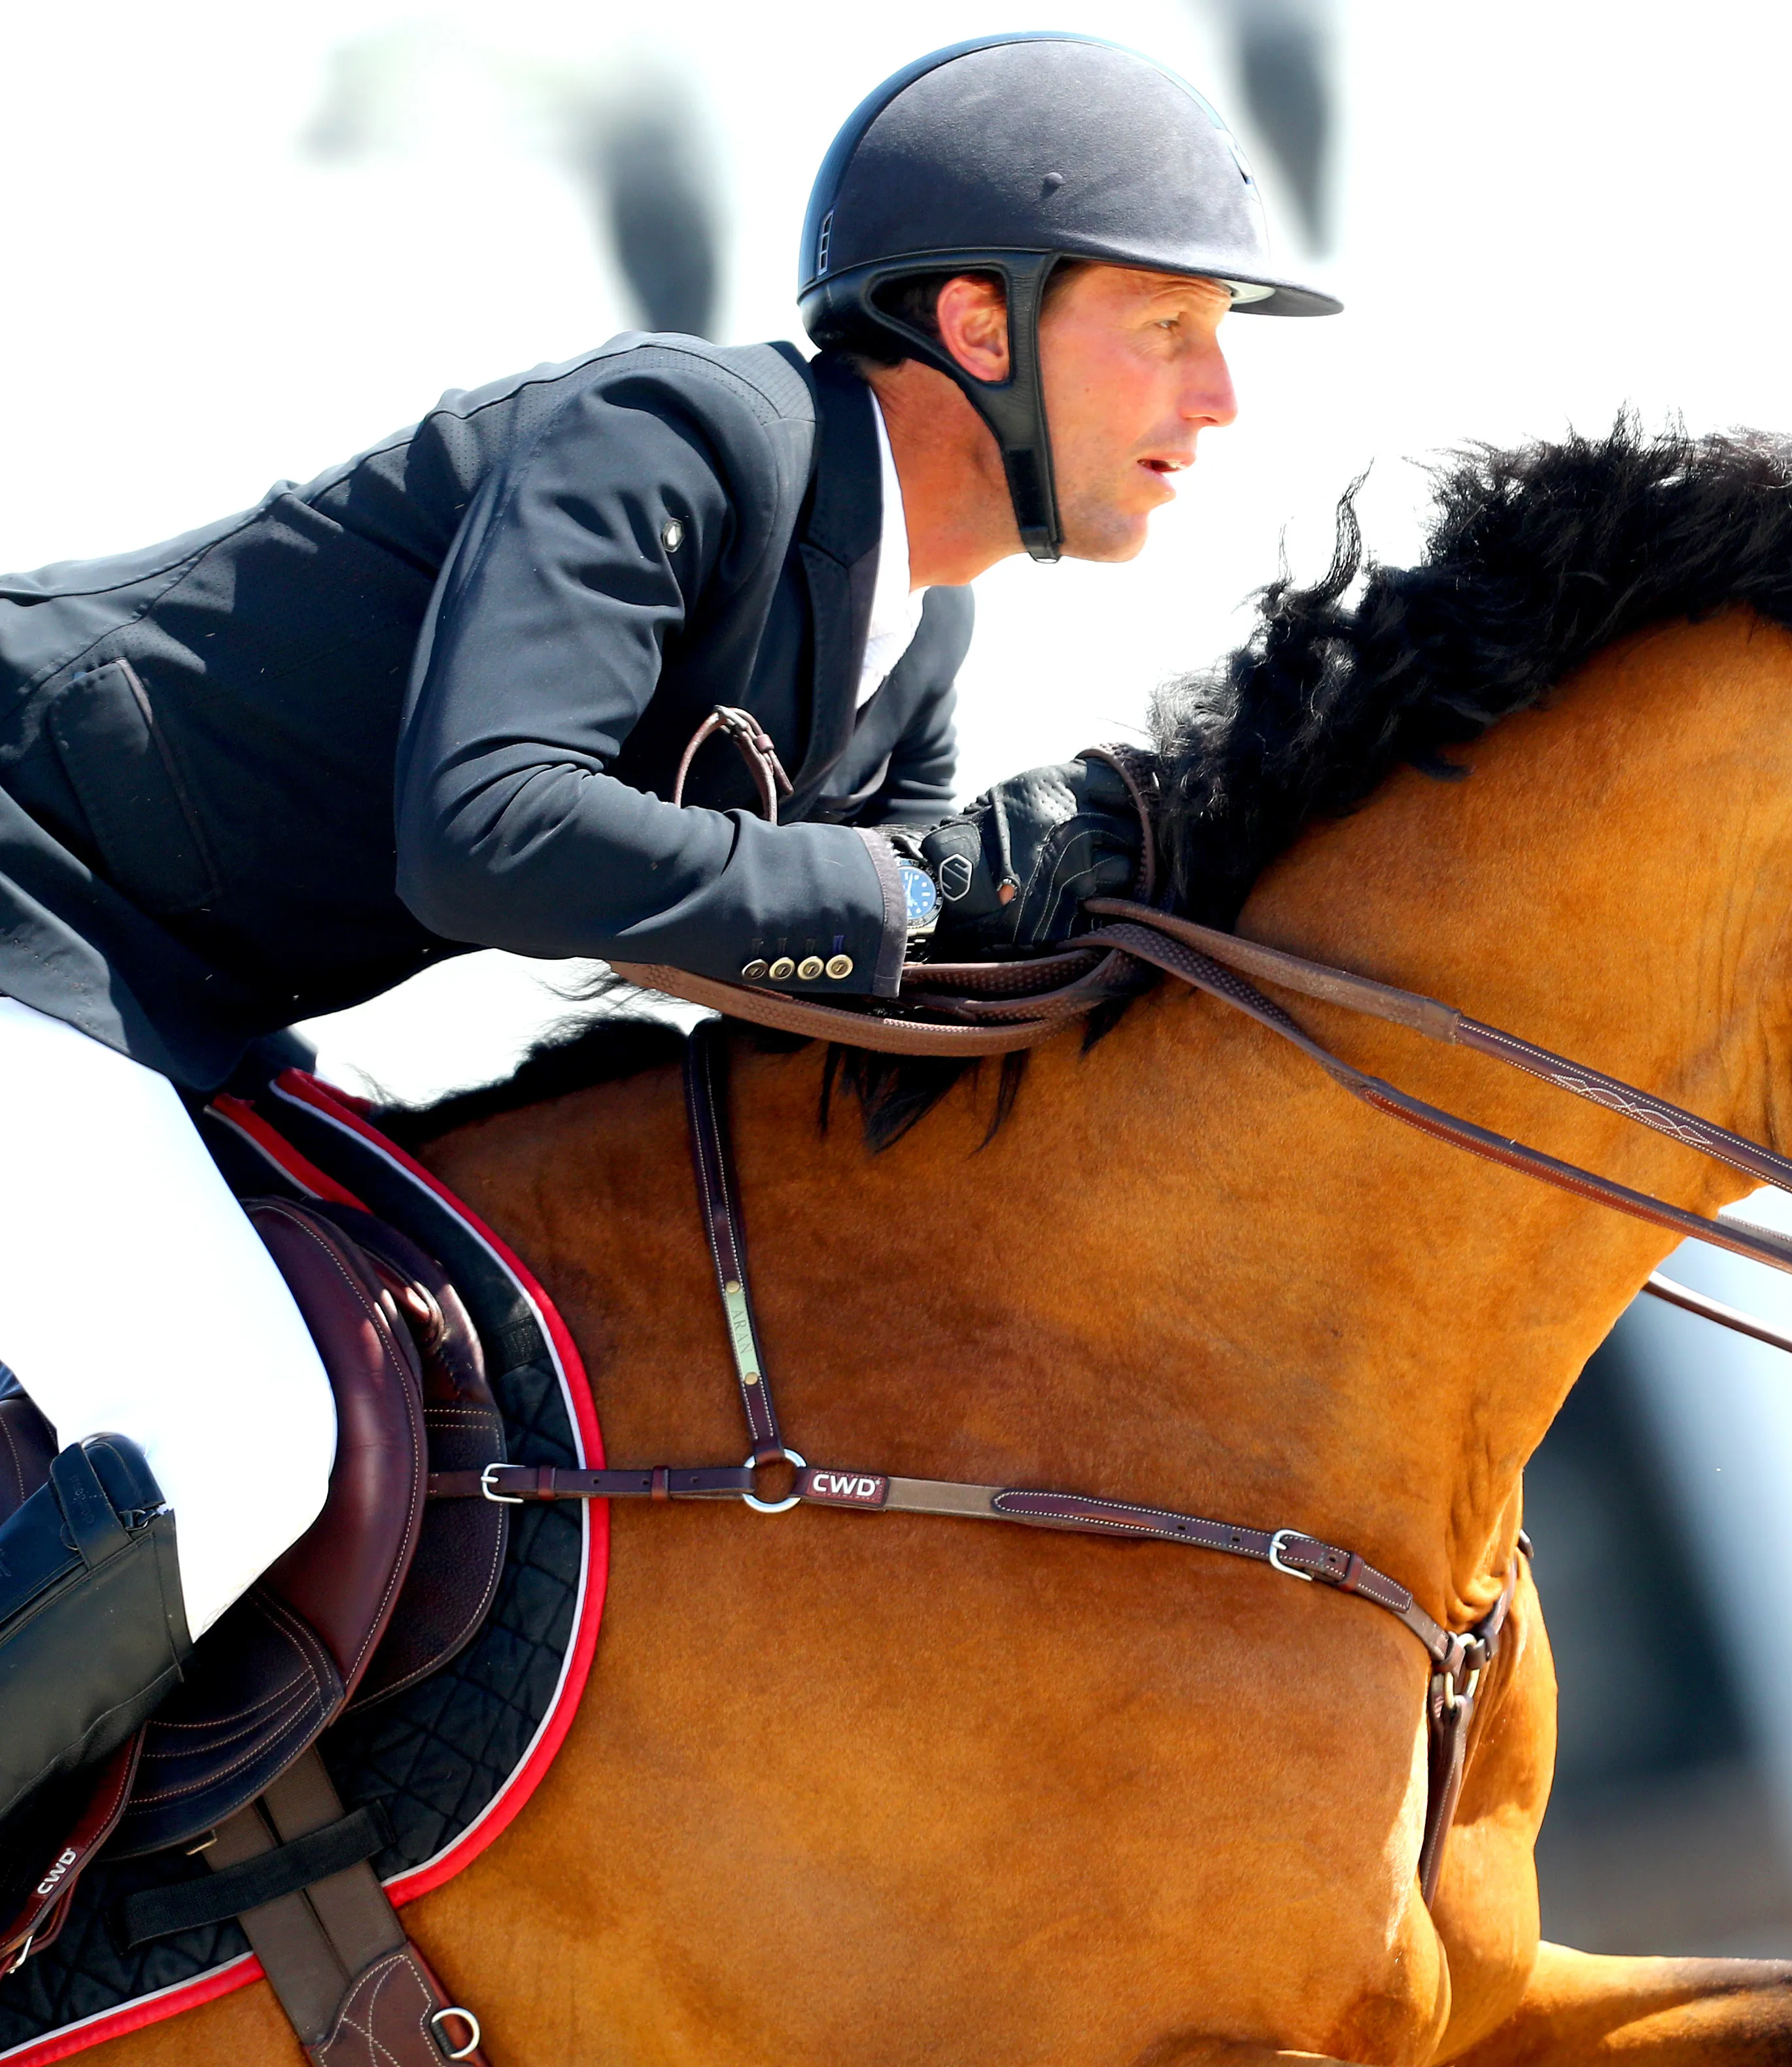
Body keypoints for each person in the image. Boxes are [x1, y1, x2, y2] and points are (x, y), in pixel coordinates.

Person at [0, 31, 1331, 1829]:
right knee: (243, 1440)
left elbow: (821, 981)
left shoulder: (906, 638)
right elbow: (491, 834)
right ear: (981, 325)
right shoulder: (685, 432)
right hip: (31, 896)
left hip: (181, 1004)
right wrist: (920, 888)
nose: (1220, 393)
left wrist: (1134, 926)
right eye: (1167, 323)